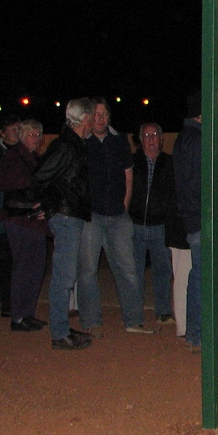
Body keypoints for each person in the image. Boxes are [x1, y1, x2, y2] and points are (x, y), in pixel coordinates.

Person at [173, 93, 218, 350]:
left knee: (202, 278)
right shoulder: (200, 141)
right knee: (209, 280)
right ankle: (203, 336)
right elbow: (206, 184)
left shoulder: (191, 139)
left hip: (203, 220)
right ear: (201, 114)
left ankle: (196, 334)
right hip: (210, 221)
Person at [79, 98, 151, 336]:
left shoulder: (119, 141)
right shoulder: (82, 143)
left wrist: (125, 205)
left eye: (104, 114)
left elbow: (128, 176)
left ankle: (133, 319)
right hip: (92, 216)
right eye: (96, 114)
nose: (100, 118)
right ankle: (91, 320)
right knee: (88, 271)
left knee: (128, 269)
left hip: (118, 216)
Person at [32, 98, 96, 351]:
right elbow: (40, 177)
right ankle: (59, 333)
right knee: (64, 277)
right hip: (66, 217)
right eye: (91, 117)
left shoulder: (73, 145)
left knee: (66, 276)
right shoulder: (67, 146)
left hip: (72, 215)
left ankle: (62, 329)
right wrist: (49, 206)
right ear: (85, 120)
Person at [0, 119, 48, 332]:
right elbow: (4, 187)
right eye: (31, 135)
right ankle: (18, 316)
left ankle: (27, 313)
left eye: (38, 135)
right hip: (19, 220)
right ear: (22, 136)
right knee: (24, 267)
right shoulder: (14, 157)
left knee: (36, 268)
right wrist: (31, 205)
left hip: (34, 220)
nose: (35, 139)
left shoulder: (35, 159)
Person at [128, 122, 178, 327]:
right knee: (134, 271)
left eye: (155, 135)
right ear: (140, 140)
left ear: (162, 139)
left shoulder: (170, 163)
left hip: (160, 226)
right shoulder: (131, 162)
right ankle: (134, 312)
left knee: (163, 270)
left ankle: (163, 311)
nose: (151, 139)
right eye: (146, 135)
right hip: (135, 225)